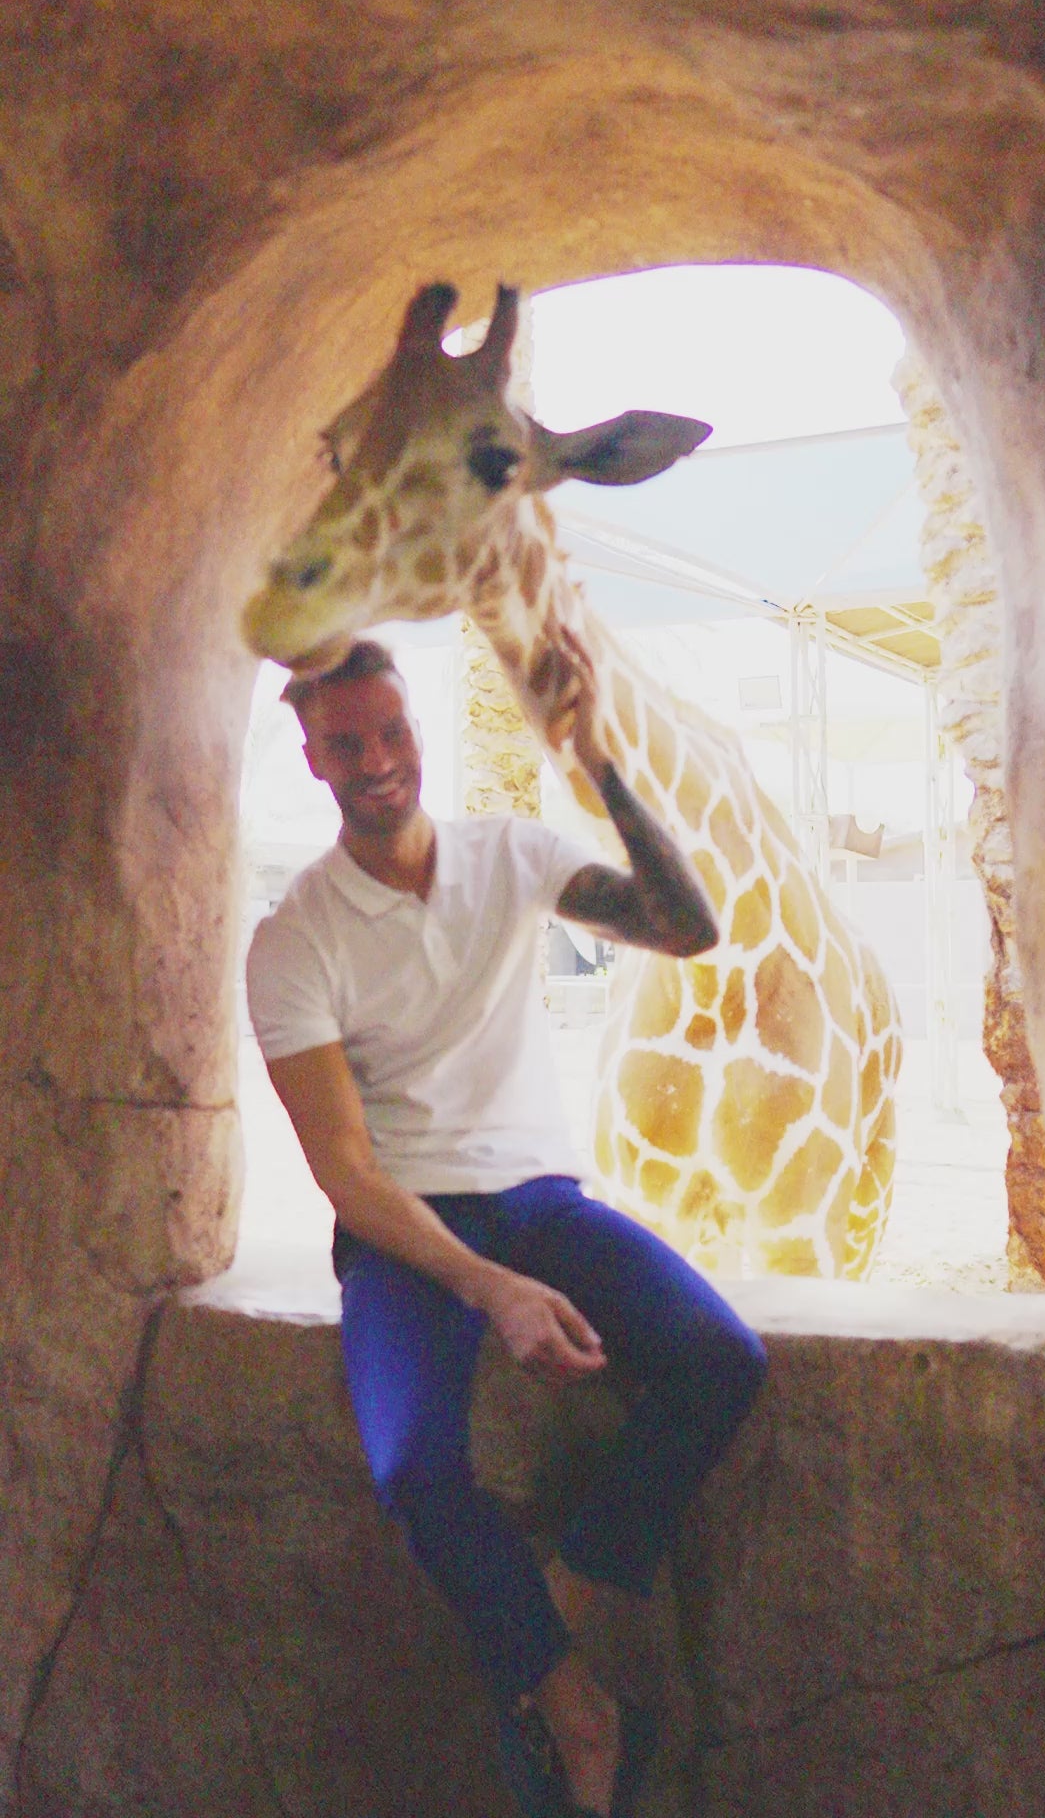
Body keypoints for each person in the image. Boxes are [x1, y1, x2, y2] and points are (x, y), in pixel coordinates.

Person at [245, 635, 767, 1818]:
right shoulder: (295, 938)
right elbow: (345, 1171)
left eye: (392, 731)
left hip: (540, 1198)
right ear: (312, 758)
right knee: (413, 1467)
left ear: (416, 728)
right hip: (407, 1226)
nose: (378, 760)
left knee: (719, 1361)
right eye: (346, 743)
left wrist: (599, 762)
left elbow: (687, 927)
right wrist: (489, 1287)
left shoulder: (512, 854)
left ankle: (552, 1623)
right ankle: (579, 1714)